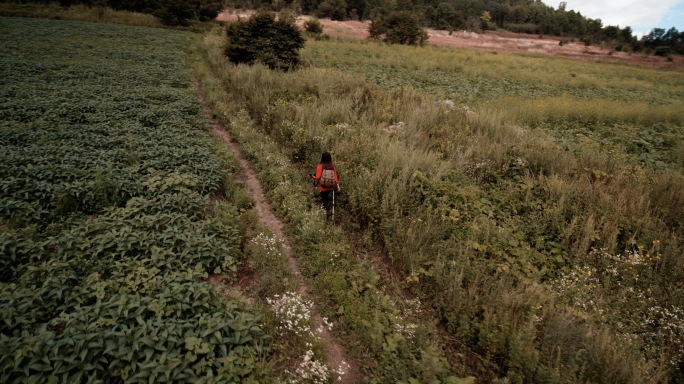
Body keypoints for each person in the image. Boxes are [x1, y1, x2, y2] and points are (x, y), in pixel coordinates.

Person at [311, 151, 340, 221]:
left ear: (322, 158)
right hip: (331, 187)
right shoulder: (332, 167)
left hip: (323, 187)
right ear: (330, 158)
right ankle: (330, 213)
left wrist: (313, 176)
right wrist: (338, 186)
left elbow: (317, 178)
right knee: (329, 201)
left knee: (325, 201)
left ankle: (326, 217)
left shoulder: (320, 166)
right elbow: (335, 177)